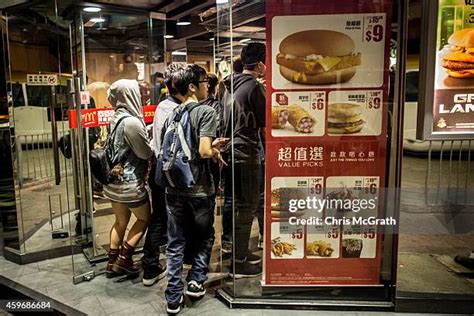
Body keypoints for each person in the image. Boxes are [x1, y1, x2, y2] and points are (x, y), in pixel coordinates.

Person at [164, 64, 222, 314]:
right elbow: (204, 151)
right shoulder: (206, 112)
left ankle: (173, 296)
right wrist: (218, 150)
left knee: (175, 242)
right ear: (191, 86)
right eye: (203, 81)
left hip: (173, 187)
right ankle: (196, 281)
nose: (207, 85)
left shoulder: (172, 114)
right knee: (205, 236)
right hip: (198, 188)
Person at [221, 42, 266, 278]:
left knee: (239, 205)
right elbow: (264, 125)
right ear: (260, 64)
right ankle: (239, 263)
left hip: (230, 152)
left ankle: (241, 252)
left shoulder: (230, 85)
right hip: (246, 153)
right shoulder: (253, 87)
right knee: (246, 208)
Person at [103, 79, 153, 277]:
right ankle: (124, 259)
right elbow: (144, 153)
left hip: (113, 183)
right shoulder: (132, 121)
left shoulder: (115, 118)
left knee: (119, 222)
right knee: (143, 218)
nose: (141, 96)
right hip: (130, 183)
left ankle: (111, 262)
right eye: (137, 92)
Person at [141, 63, 185, 286]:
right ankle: (150, 266)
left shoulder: (163, 106)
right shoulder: (174, 109)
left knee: (162, 217)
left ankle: (152, 263)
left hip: (160, 167)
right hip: (167, 170)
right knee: (161, 218)